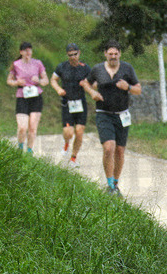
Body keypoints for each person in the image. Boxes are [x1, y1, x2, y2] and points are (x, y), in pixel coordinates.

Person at [81, 40, 141, 195]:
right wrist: (93, 92)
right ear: (105, 54)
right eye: (110, 54)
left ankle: (115, 183)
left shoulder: (127, 69)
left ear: (120, 54)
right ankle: (109, 185)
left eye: (116, 54)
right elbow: (85, 83)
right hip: (103, 114)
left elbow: (138, 89)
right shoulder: (97, 69)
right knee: (109, 148)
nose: (113, 56)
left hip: (122, 115)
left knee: (120, 151)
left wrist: (127, 87)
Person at [50, 43, 91, 167]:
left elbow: (93, 83)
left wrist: (86, 84)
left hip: (81, 103)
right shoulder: (62, 67)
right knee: (69, 132)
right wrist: (58, 89)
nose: (73, 57)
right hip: (67, 103)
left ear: (79, 53)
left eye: (75, 54)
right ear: (67, 55)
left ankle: (73, 158)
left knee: (79, 131)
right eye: (70, 55)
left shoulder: (85, 68)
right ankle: (66, 143)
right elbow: (53, 80)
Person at [6, 41, 48, 154]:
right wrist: (17, 82)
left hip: (36, 96)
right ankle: (20, 148)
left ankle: (29, 151)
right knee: (22, 127)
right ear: (21, 52)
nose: (28, 52)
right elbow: (9, 81)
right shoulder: (16, 64)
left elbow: (46, 80)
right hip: (22, 96)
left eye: (29, 49)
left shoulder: (38, 63)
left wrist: (38, 80)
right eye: (25, 50)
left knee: (32, 128)